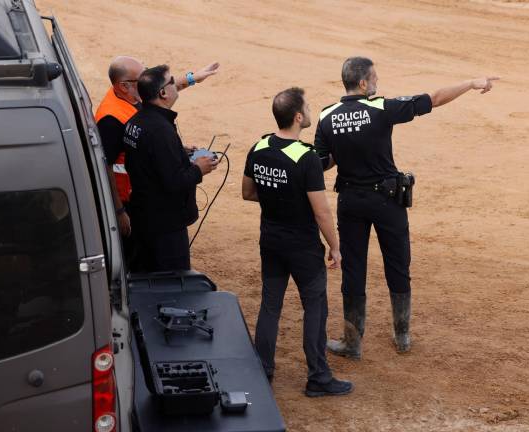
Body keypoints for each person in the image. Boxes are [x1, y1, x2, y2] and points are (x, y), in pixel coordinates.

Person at [315, 56, 498, 359]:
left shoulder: (326, 116)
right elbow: (435, 99)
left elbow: (322, 163)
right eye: (374, 77)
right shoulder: (382, 108)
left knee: (354, 270)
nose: (377, 82)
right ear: (362, 83)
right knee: (398, 265)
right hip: (386, 201)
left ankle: (352, 343)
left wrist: (345, 147)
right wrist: (471, 83)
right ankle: (402, 336)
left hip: (351, 201)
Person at [242, 87, 352, 397]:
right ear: (298, 116)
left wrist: (278, 199)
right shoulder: (305, 157)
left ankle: (263, 371)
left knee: (270, 306)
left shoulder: (258, 146)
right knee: (315, 307)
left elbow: (248, 192)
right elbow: (321, 212)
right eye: (307, 106)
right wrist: (336, 246)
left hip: (271, 240)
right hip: (302, 246)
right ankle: (318, 376)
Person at [94, 56, 219, 264]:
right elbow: (104, 165)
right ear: (125, 86)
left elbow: (159, 90)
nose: (145, 80)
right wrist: (118, 210)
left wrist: (193, 78)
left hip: (143, 202)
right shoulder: (111, 119)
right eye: (141, 77)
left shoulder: (134, 103)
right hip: (140, 206)